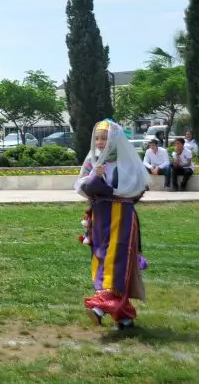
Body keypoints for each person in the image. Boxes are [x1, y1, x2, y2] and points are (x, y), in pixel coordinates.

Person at [75, 119, 148, 331]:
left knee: (117, 261)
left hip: (121, 217)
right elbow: (80, 185)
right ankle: (124, 317)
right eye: (97, 138)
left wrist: (103, 185)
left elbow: (135, 188)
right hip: (100, 218)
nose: (99, 142)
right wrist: (93, 178)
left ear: (115, 139)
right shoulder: (93, 160)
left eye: (104, 138)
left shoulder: (127, 162)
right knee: (101, 257)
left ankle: (100, 306)